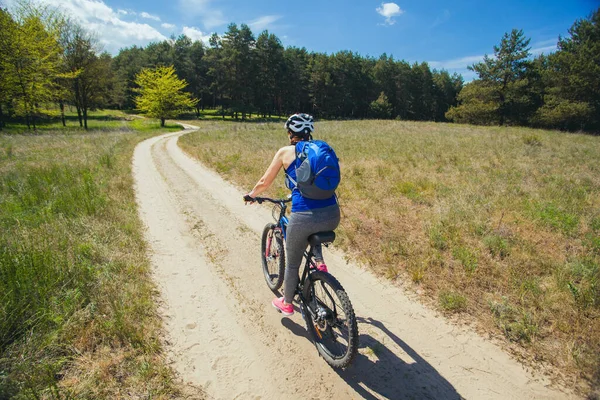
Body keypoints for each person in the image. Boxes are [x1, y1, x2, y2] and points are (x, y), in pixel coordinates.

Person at [244, 113, 340, 316]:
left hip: (304, 215)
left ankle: (287, 303)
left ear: (290, 133)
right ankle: (320, 263)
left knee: (293, 262)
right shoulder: (322, 148)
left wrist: (251, 195)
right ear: (309, 132)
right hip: (332, 214)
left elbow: (265, 182)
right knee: (315, 229)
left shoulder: (285, 152)